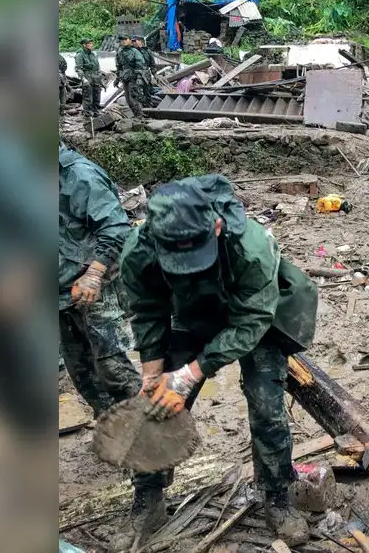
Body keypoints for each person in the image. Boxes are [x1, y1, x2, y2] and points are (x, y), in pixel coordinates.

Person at [115, 175, 317, 548]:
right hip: (191, 314)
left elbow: (252, 321)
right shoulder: (138, 250)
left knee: (266, 408)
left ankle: (276, 497)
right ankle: (148, 500)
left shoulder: (252, 246)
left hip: (253, 317)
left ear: (217, 226)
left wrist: (191, 374)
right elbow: (146, 311)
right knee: (155, 406)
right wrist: (154, 372)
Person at [59, 147, 141, 419]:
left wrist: (93, 274)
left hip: (95, 286)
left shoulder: (79, 176)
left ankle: (154, 439)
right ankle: (117, 432)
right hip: (60, 292)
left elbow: (115, 228)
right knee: (82, 373)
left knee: (113, 370)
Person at [115, 34, 146, 116]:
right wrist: (117, 78)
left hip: (134, 76)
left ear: (129, 40)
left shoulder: (135, 51)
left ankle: (139, 115)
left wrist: (139, 77)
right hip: (125, 76)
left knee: (134, 97)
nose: (123, 41)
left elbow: (140, 65)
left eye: (125, 39)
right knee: (128, 99)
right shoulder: (120, 52)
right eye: (122, 40)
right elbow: (119, 66)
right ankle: (136, 115)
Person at [75, 38, 103, 116]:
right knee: (88, 97)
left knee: (97, 95)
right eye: (89, 43)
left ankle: (96, 112)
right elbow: (78, 68)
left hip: (96, 78)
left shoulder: (93, 54)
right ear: (84, 45)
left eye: (91, 43)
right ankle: (87, 114)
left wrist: (100, 76)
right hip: (87, 77)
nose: (91, 45)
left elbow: (97, 66)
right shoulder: (79, 55)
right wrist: (83, 79)